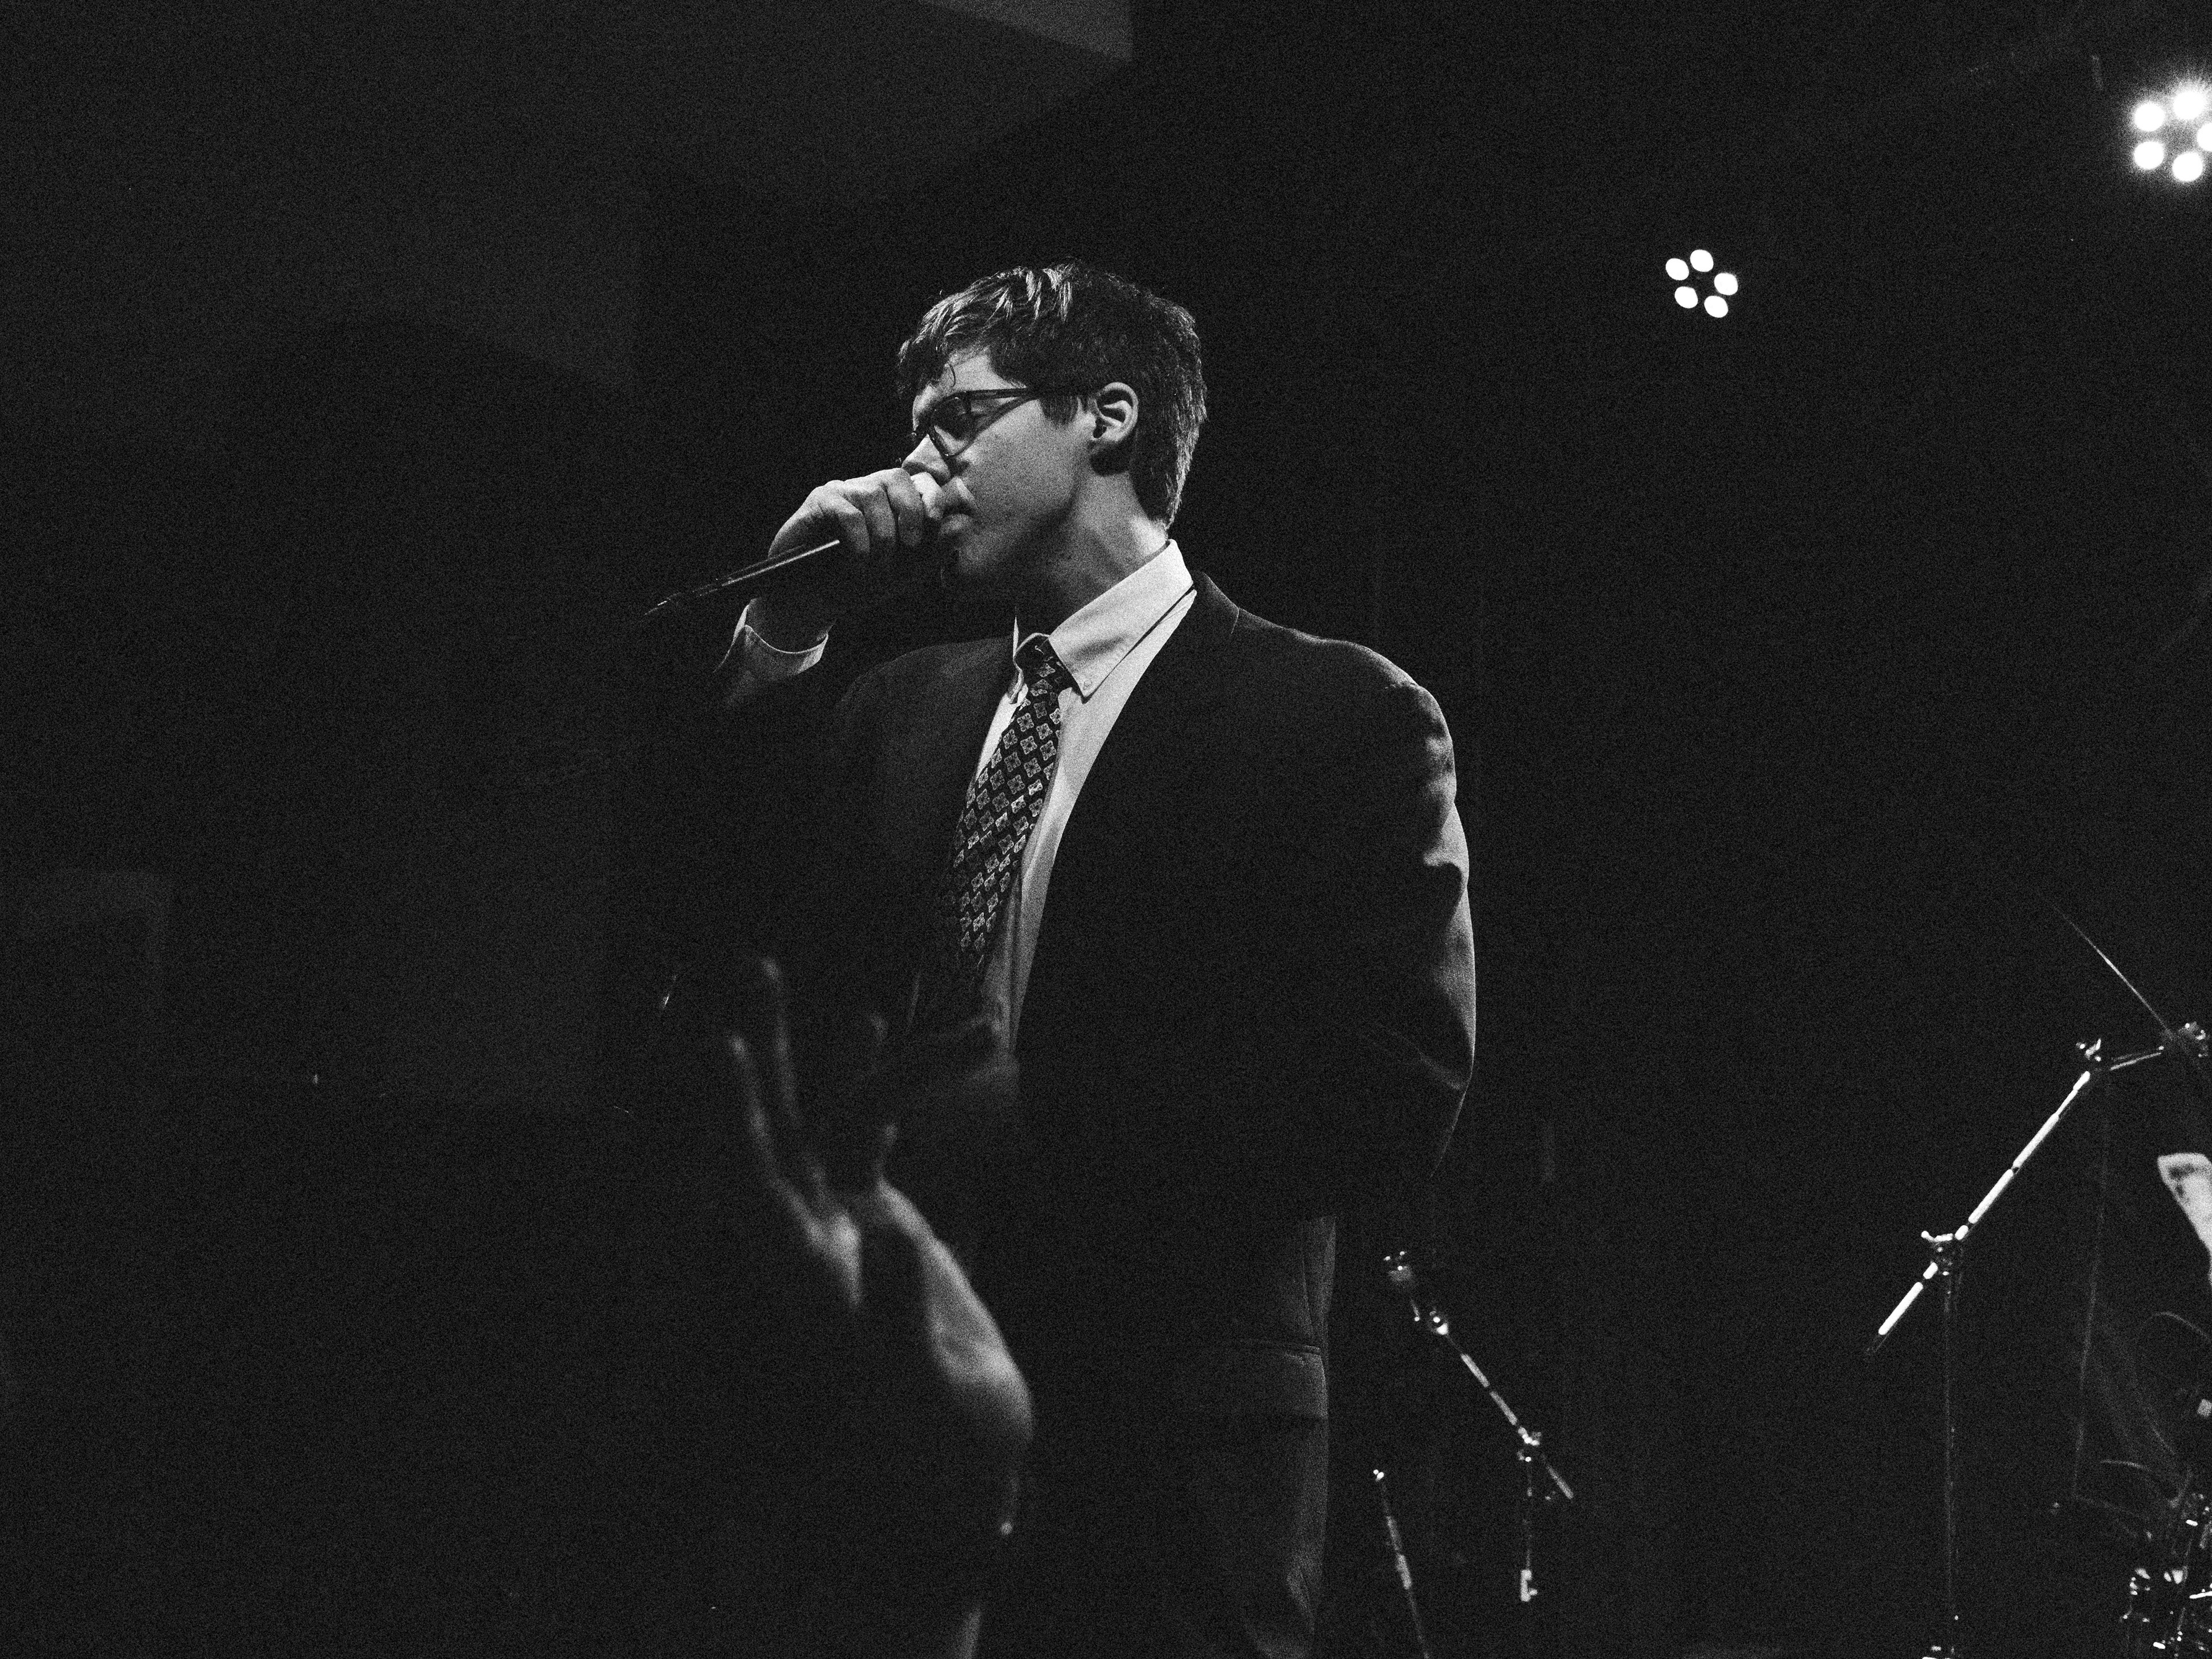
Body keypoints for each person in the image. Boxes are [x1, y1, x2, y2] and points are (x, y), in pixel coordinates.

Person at [725, 261, 1476, 1657]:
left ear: (1107, 419)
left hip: (1166, 1436)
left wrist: (1034, 1114)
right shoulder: (896, 706)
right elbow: (742, 954)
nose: (916, 467)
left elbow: (1393, 1084)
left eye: (957, 420)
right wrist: (787, 623)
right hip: (889, 1416)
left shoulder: (1334, 714)